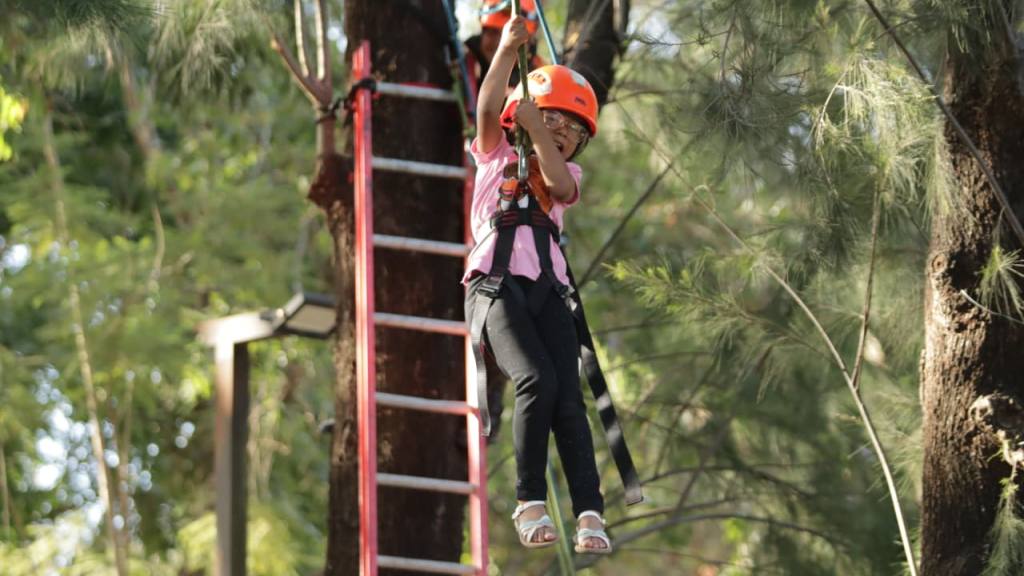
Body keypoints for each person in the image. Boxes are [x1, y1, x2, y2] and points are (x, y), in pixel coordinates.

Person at [462, 15, 611, 553]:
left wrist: (542, 129)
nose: (562, 135)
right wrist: (505, 51)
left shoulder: (566, 178)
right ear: (520, 121)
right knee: (534, 379)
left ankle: (590, 511)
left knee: (568, 397)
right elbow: (484, 110)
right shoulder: (495, 155)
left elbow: (558, 183)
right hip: (494, 286)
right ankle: (530, 501)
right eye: (553, 122)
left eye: (571, 132)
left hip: (548, 287)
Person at [464, 0, 543, 93]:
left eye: (513, 37)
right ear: (482, 34)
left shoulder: (541, 78)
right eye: (493, 32)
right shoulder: (461, 63)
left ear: (529, 42)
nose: (500, 45)